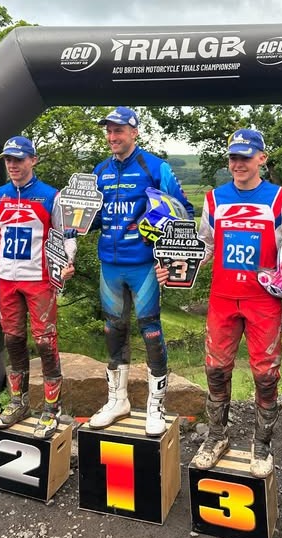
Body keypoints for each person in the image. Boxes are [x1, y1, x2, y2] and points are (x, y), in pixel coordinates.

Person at [157, 128, 282, 477]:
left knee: (265, 375)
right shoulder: (214, 199)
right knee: (216, 370)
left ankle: (262, 443)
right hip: (222, 299)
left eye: (245, 157)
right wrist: (178, 267)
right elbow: (206, 246)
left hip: (263, 301)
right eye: (233, 157)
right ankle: (217, 436)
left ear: (261, 159)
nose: (238, 163)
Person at [89, 106, 194, 437]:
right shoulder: (99, 170)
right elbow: (93, 218)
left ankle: (156, 405)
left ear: (134, 132)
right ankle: (117, 400)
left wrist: (168, 259)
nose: (112, 136)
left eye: (119, 130)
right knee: (113, 330)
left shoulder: (155, 167)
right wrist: (74, 216)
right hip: (110, 265)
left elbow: (183, 211)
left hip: (144, 266)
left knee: (150, 331)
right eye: (109, 131)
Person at [0, 135, 76, 439]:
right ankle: (19, 403)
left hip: (39, 279)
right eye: (8, 160)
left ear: (33, 160)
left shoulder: (51, 196)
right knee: (13, 340)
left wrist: (68, 262)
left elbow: (66, 235)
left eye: (18, 159)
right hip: (7, 279)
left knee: (45, 342)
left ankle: (52, 409)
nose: (12, 165)